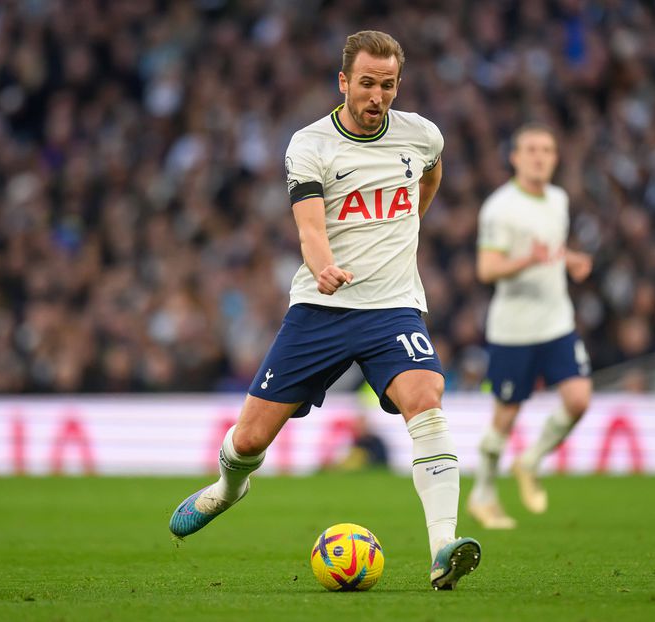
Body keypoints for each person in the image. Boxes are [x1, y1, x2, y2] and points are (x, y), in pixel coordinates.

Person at [169, 30, 480, 589]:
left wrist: (408, 230)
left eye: (387, 86)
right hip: (322, 307)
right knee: (248, 440)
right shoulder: (310, 144)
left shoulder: (422, 135)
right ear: (343, 82)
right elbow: (309, 226)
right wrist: (323, 265)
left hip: (393, 308)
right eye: (366, 84)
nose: (376, 96)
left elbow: (430, 176)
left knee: (426, 399)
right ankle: (227, 489)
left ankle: (443, 549)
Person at [468, 123, 593, 529]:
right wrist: (528, 260)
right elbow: (486, 269)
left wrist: (569, 259)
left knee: (578, 399)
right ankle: (482, 495)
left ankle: (531, 461)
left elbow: (550, 250)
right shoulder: (499, 208)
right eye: (532, 150)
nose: (540, 157)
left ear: (555, 158)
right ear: (515, 157)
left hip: (557, 321)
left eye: (547, 150)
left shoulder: (558, 199)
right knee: (505, 416)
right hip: (514, 328)